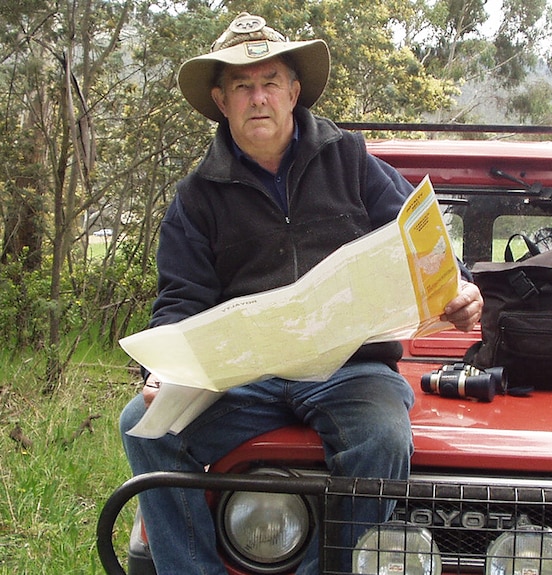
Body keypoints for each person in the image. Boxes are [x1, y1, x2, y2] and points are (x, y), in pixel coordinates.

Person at [119, 12, 483, 575]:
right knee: (140, 428)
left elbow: (423, 240)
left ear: (293, 91)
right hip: (248, 380)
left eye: (268, 83)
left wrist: (457, 286)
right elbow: (180, 299)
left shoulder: (352, 160)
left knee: (382, 438)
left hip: (351, 370)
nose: (257, 97)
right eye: (241, 86)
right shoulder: (195, 198)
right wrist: (164, 370)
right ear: (221, 100)